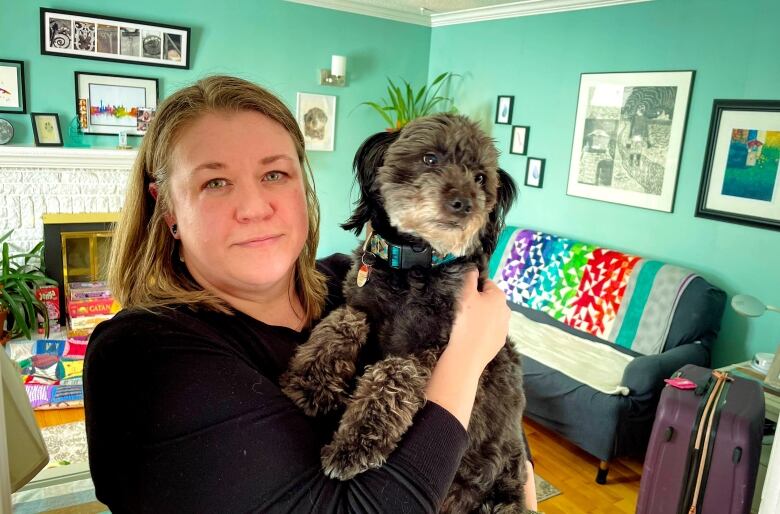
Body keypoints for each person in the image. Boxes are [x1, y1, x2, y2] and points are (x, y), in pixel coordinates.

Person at [84, 75, 536, 512]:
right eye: (215, 183)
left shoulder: (354, 279)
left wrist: (519, 488)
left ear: (303, 186)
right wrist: (466, 357)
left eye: (275, 174)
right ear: (168, 211)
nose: (255, 208)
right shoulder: (142, 355)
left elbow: (500, 421)